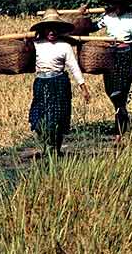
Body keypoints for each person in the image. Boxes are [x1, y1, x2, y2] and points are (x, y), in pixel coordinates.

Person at [78, 0, 132, 142]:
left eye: (121, 3)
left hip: (126, 56)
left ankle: (119, 132)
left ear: (125, 4)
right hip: (109, 56)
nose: (117, 6)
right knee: (111, 91)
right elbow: (91, 28)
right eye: (115, 3)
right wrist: (83, 16)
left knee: (120, 92)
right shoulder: (107, 17)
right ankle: (123, 117)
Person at [29, 9, 90, 155]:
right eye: (49, 28)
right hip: (41, 83)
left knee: (58, 117)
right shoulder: (36, 44)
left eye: (55, 28)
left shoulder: (64, 46)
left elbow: (74, 67)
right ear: (43, 30)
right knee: (38, 118)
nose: (52, 32)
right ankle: (46, 146)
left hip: (59, 83)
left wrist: (83, 87)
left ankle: (55, 149)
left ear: (60, 30)